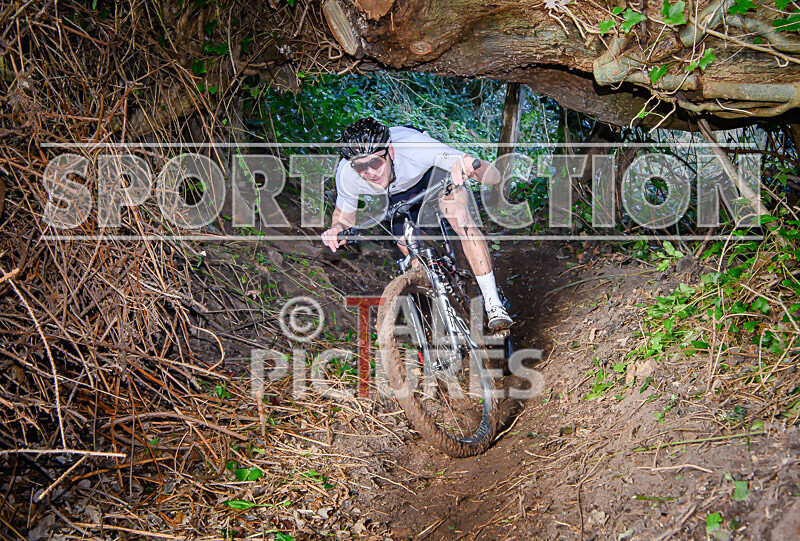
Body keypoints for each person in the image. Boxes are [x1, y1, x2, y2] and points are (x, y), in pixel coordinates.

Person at [320, 117, 512, 332]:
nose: (370, 173)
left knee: (458, 215)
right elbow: (343, 216)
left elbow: (493, 177)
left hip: (430, 175)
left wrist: (474, 166)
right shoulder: (347, 173)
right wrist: (337, 229)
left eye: (375, 162)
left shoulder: (415, 147)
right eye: (360, 167)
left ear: (390, 152)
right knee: (407, 250)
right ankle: (442, 312)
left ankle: (493, 303)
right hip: (396, 195)